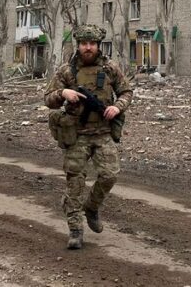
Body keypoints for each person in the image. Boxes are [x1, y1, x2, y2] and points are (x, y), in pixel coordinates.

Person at [44, 24, 133, 249]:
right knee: (75, 182)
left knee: (109, 175)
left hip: (103, 132)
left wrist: (118, 107)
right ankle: (75, 230)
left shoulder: (110, 68)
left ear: (98, 45)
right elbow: (48, 98)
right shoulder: (67, 71)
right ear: (78, 45)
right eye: (84, 43)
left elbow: (126, 91)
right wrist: (63, 93)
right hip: (77, 134)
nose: (88, 47)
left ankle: (91, 207)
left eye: (92, 44)